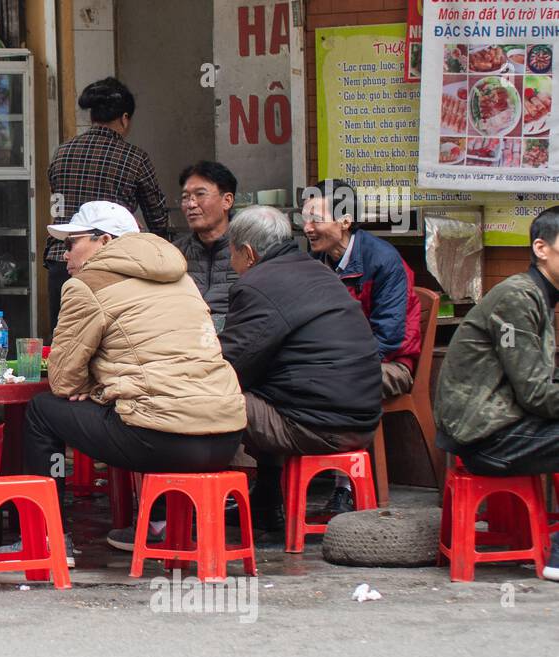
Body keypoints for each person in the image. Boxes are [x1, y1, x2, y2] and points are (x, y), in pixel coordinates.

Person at [20, 202, 246, 564]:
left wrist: (95, 387)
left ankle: (46, 538)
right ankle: (157, 524)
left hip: (162, 439)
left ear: (104, 240)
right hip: (227, 436)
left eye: (71, 243)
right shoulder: (182, 278)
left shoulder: (87, 285)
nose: (64, 255)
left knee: (42, 411)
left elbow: (62, 380)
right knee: (141, 401)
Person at [218, 206, 381, 532]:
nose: (231, 264)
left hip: (320, 425)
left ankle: (171, 510)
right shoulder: (317, 270)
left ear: (248, 253)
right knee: (267, 389)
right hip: (363, 418)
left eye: (232, 254)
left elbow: (230, 367)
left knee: (210, 397)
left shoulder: (256, 286)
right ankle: (266, 501)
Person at [434, 206, 559, 581]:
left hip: (499, 425)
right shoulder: (517, 297)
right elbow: (537, 394)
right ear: (541, 247)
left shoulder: (536, 297)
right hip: (485, 437)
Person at [303, 179, 423, 513]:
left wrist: (339, 364)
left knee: (343, 383)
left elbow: (388, 336)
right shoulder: (319, 262)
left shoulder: (383, 261)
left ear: (344, 221)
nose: (307, 227)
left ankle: (346, 486)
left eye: (316, 218)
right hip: (339, 361)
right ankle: (279, 485)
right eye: (305, 218)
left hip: (390, 363)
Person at [46, 78, 168, 330]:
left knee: (65, 340)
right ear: (124, 118)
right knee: (110, 341)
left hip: (62, 262)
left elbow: (56, 204)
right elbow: (157, 218)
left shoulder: (62, 152)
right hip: (113, 268)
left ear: (92, 116)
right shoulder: (134, 158)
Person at [173, 161, 237, 317]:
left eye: (200, 194)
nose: (191, 204)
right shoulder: (174, 253)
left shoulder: (248, 249)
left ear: (227, 201)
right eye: (185, 197)